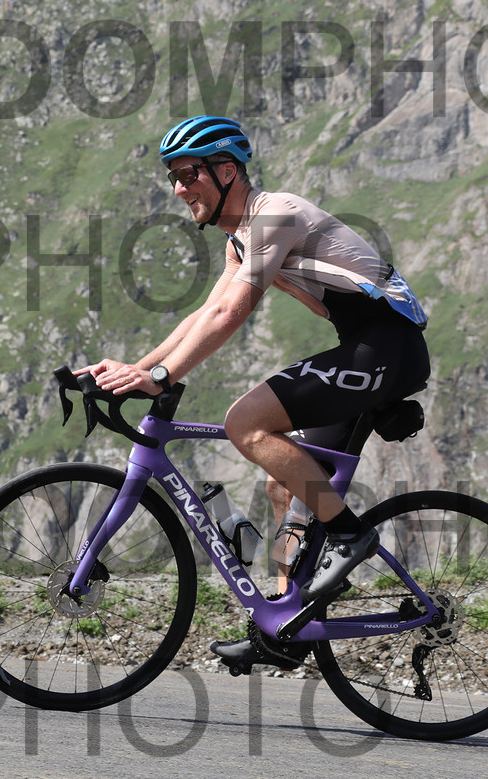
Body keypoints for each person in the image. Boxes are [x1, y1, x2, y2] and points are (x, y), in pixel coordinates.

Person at [79, 115, 430, 670]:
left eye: (189, 175)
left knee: (245, 423)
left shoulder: (275, 215)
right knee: (283, 484)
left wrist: (162, 378)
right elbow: (204, 313)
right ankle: (287, 625)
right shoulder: (239, 240)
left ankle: (350, 537)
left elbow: (231, 313)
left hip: (387, 349)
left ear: (226, 171)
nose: (180, 189)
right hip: (366, 349)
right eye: (173, 178)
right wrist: (133, 370)